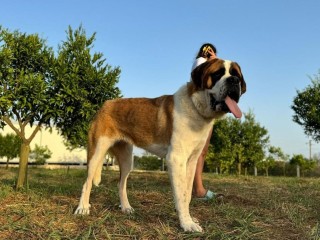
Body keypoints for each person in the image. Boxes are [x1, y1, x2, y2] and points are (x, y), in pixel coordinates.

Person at [191, 43, 221, 200]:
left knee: (202, 151)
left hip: (209, 110)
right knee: (198, 151)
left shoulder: (214, 66)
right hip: (199, 111)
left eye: (213, 52)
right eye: (208, 51)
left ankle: (196, 187)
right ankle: (198, 190)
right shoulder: (200, 63)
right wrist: (213, 61)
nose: (210, 54)